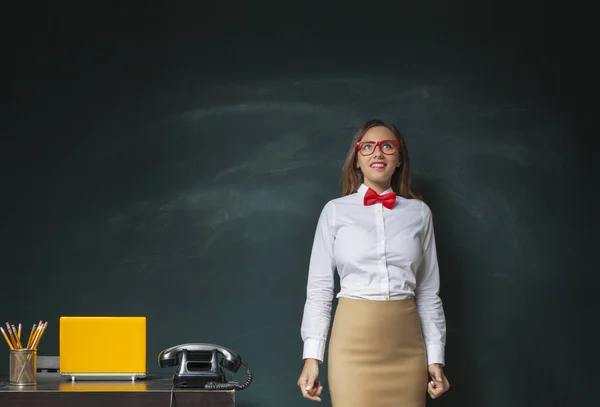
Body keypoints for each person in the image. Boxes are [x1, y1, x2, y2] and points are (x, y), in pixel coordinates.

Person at [297, 119, 450, 406]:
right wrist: (312, 357)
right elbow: (318, 291)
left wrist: (435, 359)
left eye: (387, 146)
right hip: (351, 347)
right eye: (367, 147)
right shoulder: (334, 212)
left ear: (399, 158)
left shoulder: (420, 214)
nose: (377, 153)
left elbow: (429, 293)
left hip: (407, 348)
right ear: (356, 159)